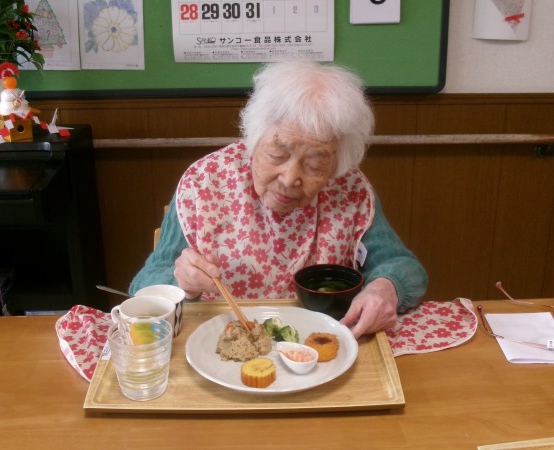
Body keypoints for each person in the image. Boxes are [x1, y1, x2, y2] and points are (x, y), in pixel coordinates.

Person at [130, 60, 427, 338]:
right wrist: (181, 283)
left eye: (314, 165)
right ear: (253, 138)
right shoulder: (204, 182)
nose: (289, 178)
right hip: (216, 342)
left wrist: (385, 288)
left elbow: (403, 266)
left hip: (316, 344)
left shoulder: (349, 188)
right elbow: (144, 284)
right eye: (277, 154)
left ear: (337, 165)